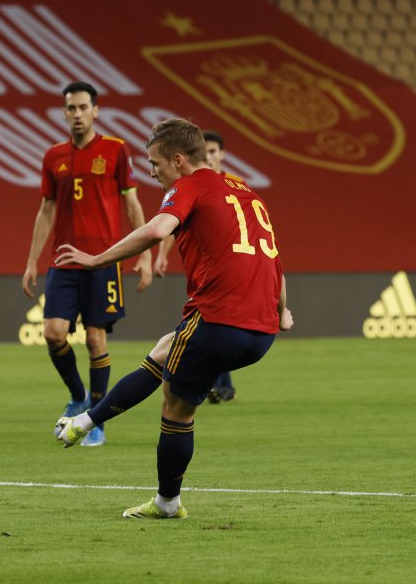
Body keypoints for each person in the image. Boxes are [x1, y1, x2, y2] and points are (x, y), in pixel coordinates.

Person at [54, 118, 292, 519]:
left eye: (155, 163)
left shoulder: (189, 186)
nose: (151, 171)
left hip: (219, 320)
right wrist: (283, 310)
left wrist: (96, 259)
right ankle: (86, 421)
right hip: (263, 330)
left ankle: (165, 501)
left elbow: (157, 229)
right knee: (167, 349)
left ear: (179, 160)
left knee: (177, 408)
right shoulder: (247, 193)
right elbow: (272, 257)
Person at [22, 81, 153, 447]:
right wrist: (32, 260)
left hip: (104, 260)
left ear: (95, 111)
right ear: (64, 112)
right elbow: (46, 209)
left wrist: (144, 253)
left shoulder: (115, 150)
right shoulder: (53, 156)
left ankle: (96, 420)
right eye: (71, 108)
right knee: (52, 333)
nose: (77, 114)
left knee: (96, 341)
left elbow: (131, 203)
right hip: (64, 259)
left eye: (83, 107)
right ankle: (78, 395)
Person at [155, 129, 242, 403]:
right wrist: (162, 255)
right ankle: (218, 385)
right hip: (204, 268)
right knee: (210, 324)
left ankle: (218, 385)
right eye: (209, 151)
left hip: (230, 270)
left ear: (222, 155)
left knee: (216, 324)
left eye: (216, 151)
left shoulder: (234, 185)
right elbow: (173, 225)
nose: (212, 155)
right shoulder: (190, 187)